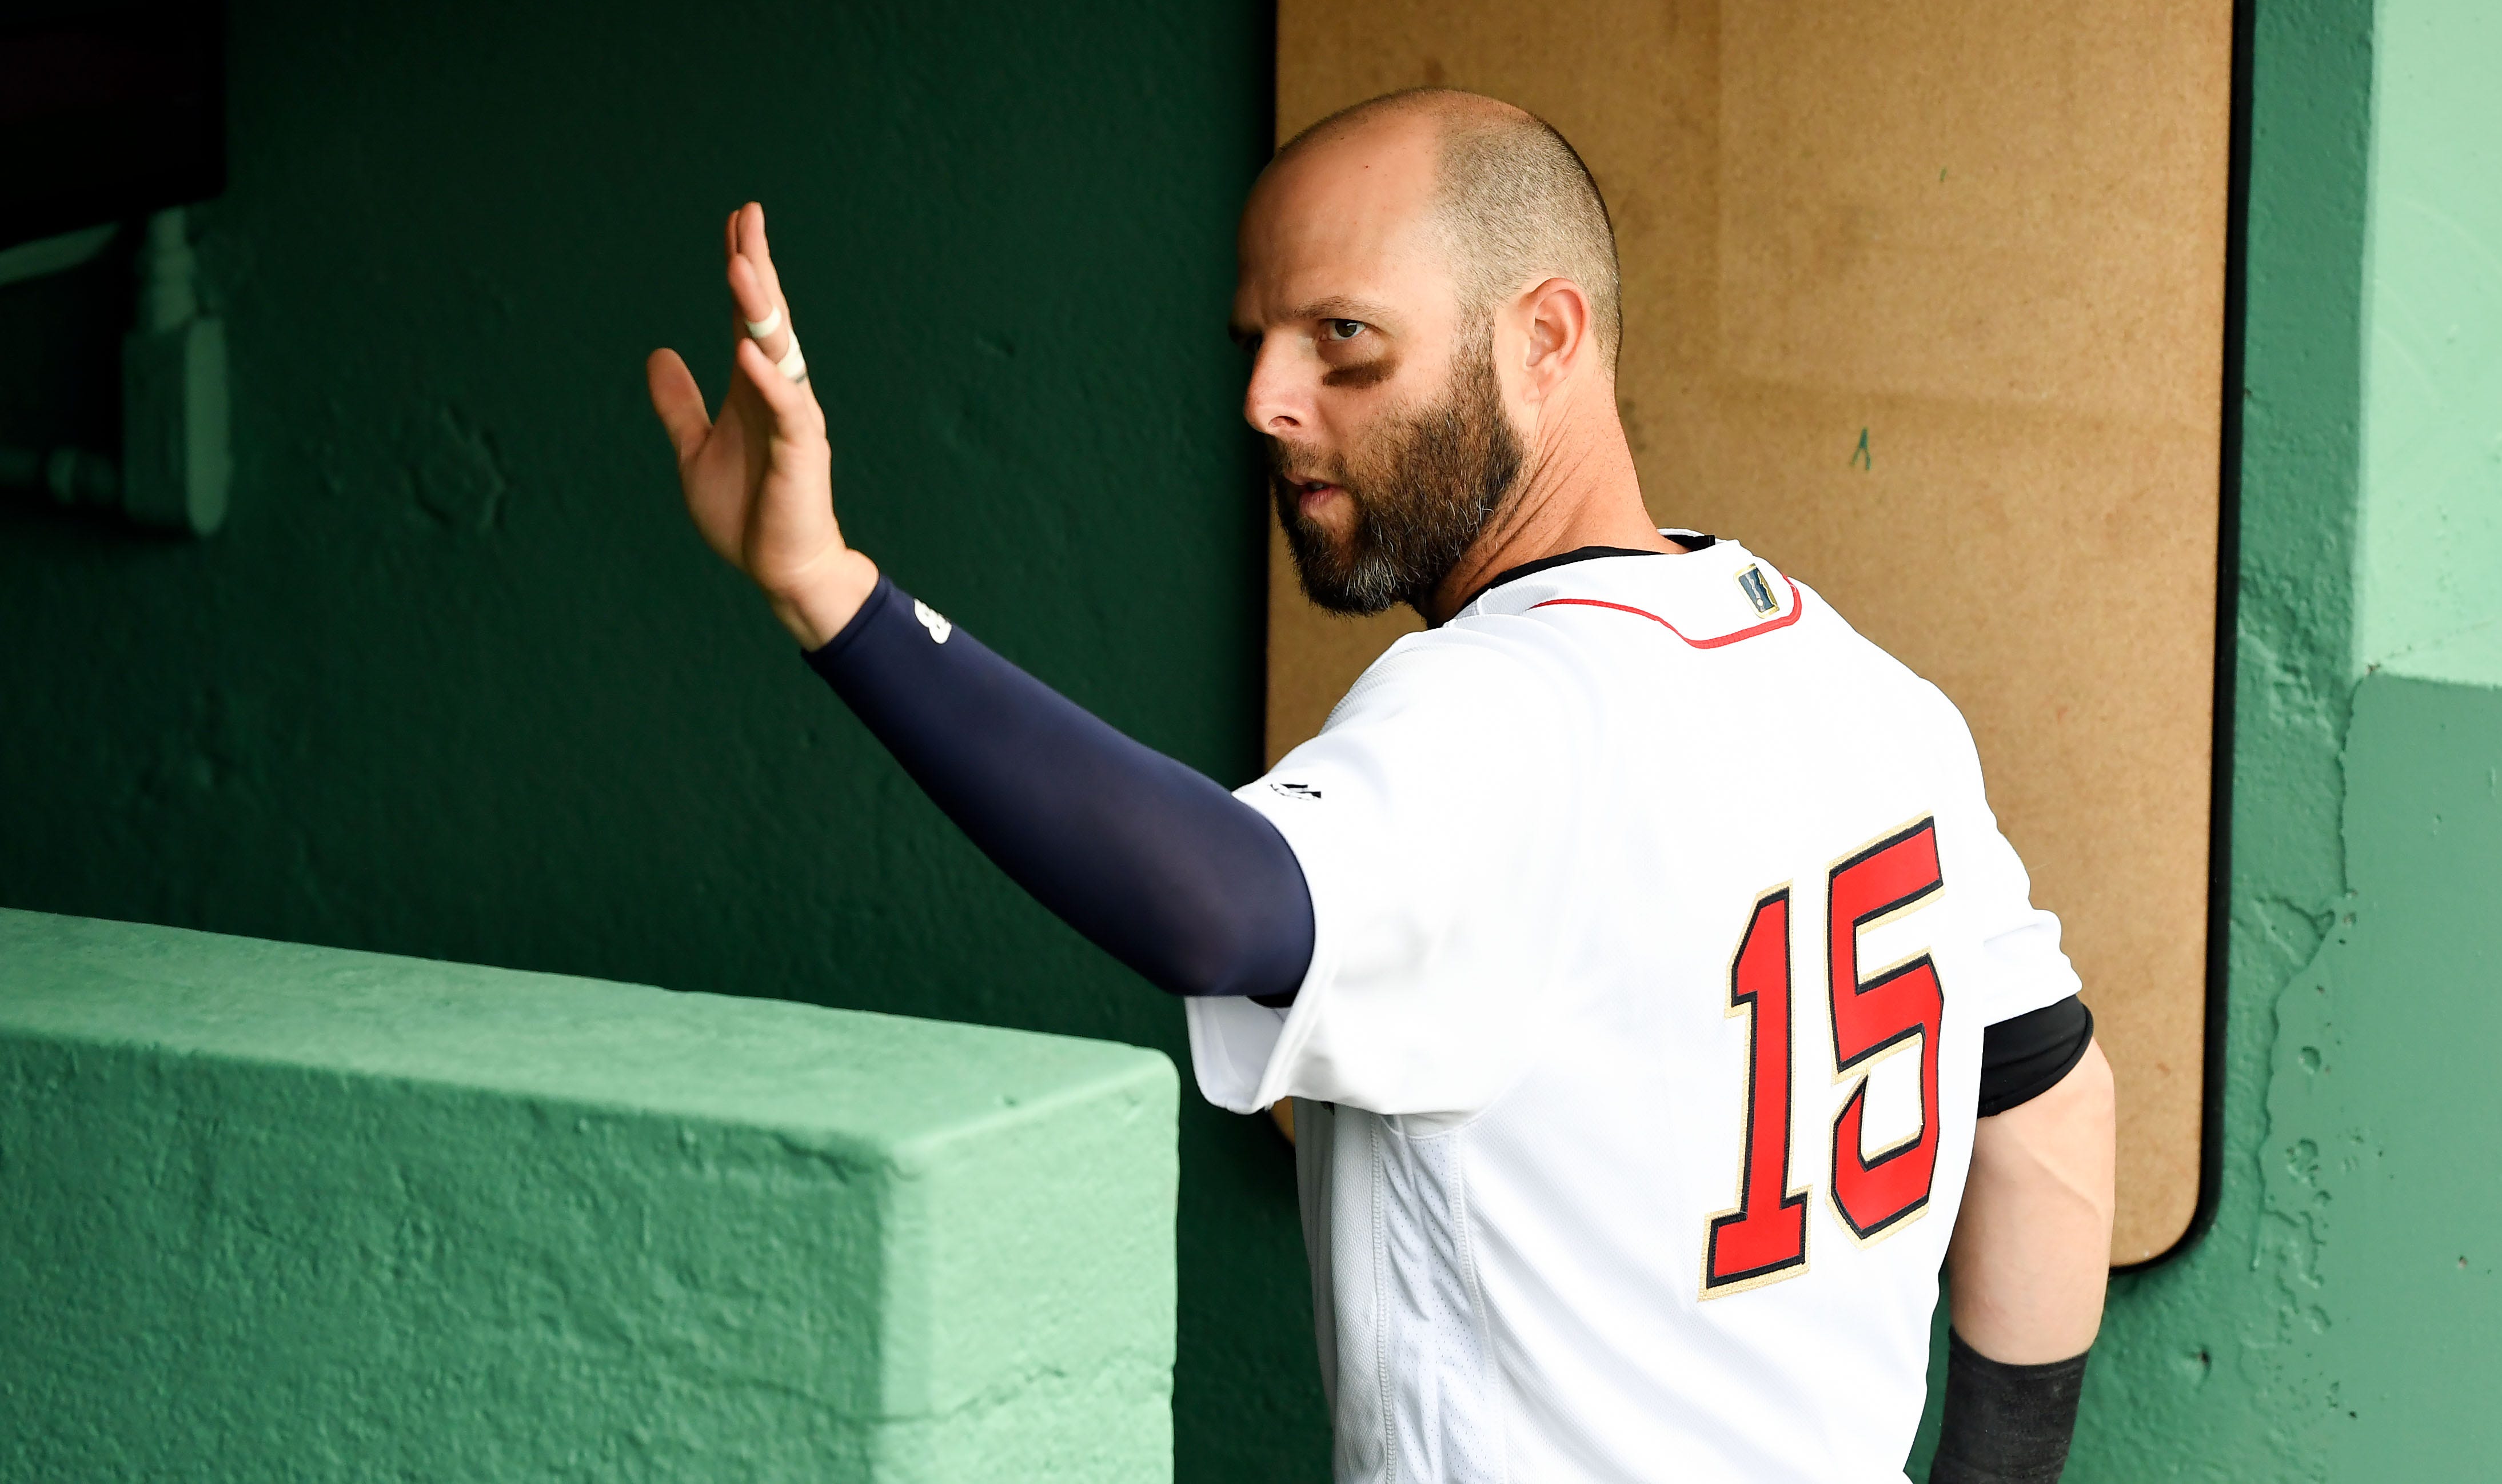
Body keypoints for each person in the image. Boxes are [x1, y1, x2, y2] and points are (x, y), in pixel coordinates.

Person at [647, 89, 2116, 1484]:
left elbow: (1219, 908)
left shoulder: (1497, 705)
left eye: (1344, 340)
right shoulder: (1868, 693)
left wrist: (829, 592)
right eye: (1259, 339)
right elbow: (2044, 1110)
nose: (1269, 399)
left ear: (1545, 338)